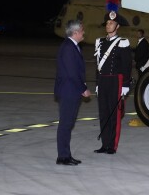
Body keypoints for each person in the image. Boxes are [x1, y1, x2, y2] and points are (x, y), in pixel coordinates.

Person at [93, 10, 132, 155]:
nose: (108, 25)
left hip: (116, 80)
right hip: (103, 80)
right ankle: (104, 144)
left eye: (112, 23)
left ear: (117, 27)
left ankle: (112, 146)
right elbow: (97, 65)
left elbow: (127, 65)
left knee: (114, 114)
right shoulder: (100, 42)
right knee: (103, 113)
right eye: (107, 23)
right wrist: (97, 83)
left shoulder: (122, 42)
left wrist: (126, 85)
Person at [54, 20, 91, 166]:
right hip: (69, 91)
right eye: (82, 31)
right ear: (75, 32)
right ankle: (62, 156)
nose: (83, 33)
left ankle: (66, 155)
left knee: (68, 124)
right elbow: (71, 73)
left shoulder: (72, 46)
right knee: (65, 124)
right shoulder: (69, 47)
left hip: (71, 91)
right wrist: (83, 88)